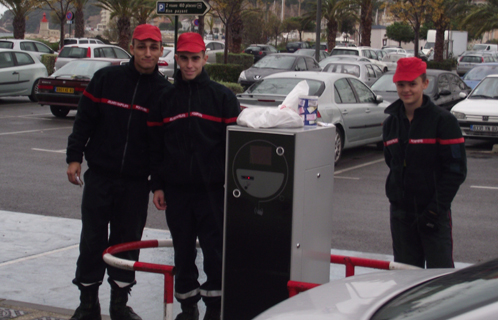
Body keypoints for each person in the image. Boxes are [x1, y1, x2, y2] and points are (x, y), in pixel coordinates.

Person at [66, 24, 171, 320]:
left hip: (136, 184)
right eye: (141, 46)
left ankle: (119, 305)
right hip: (100, 176)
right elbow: (84, 120)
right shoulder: (106, 79)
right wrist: (74, 157)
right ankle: (88, 304)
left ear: (161, 50)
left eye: (153, 47)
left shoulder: (165, 92)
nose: (147, 53)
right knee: (92, 240)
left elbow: (162, 147)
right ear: (132, 47)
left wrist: (158, 184)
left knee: (126, 243)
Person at [148, 32, 240, 320]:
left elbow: (234, 148)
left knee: (215, 253)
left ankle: (215, 309)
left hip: (213, 192)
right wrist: (157, 186)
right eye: (184, 58)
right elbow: (155, 148)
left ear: (205, 59)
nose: (189, 65)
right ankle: (188, 307)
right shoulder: (165, 98)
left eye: (195, 59)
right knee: (183, 253)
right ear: (176, 59)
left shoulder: (222, 97)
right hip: (176, 193)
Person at [382, 57, 467, 269]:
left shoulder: (444, 121)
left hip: (433, 216)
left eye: (412, 84)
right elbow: (391, 162)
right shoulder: (390, 123)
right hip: (401, 216)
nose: (406, 90)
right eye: (401, 84)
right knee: (405, 280)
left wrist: (434, 211)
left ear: (425, 84)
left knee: (439, 283)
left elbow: (456, 171)